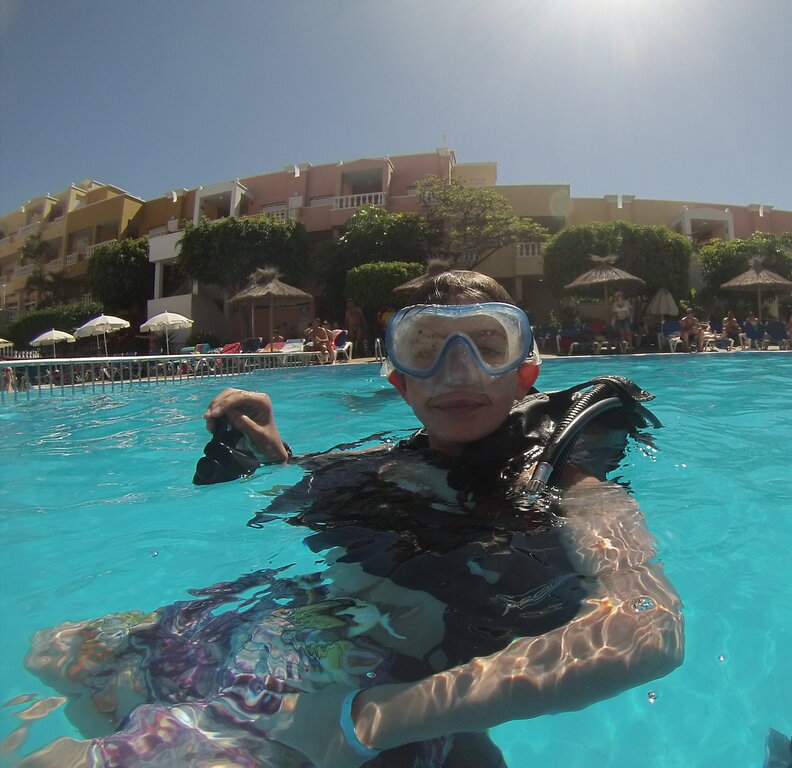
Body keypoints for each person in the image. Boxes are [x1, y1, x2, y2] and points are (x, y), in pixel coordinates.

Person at [21, 268, 683, 768]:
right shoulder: (389, 463)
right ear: (400, 380)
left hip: (367, 689)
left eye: (488, 344)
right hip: (298, 623)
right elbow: (313, 486)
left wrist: (380, 718)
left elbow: (645, 632)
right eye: (428, 349)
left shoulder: (573, 478)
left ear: (526, 373)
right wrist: (275, 450)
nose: (459, 371)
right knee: (59, 652)